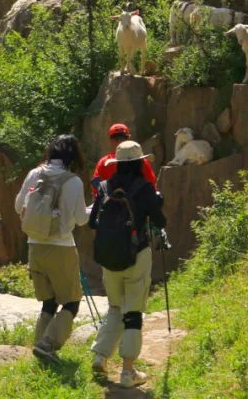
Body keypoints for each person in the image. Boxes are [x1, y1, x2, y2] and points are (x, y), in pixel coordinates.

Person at [88, 140, 167, 388]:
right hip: (136, 256)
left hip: (108, 259)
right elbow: (160, 221)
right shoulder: (144, 188)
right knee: (132, 313)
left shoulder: (104, 186)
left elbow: (92, 223)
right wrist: (156, 202)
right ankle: (128, 372)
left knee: (114, 307)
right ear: (140, 162)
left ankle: (101, 356)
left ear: (118, 163)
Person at [16, 135, 90, 364]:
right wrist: (95, 208)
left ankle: (40, 348)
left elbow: (19, 206)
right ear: (73, 155)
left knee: (48, 301)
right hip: (61, 248)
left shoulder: (34, 174)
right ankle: (47, 344)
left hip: (34, 247)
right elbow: (80, 220)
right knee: (71, 302)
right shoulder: (73, 181)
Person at [90, 123, 157, 200]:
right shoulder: (142, 162)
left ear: (111, 140)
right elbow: (152, 186)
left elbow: (96, 189)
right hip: (138, 208)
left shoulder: (103, 163)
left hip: (112, 208)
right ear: (128, 139)